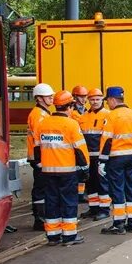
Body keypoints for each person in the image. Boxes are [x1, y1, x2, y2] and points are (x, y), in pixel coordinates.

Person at [35, 90, 89, 246]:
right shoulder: (71, 124)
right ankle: (69, 236)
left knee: (51, 202)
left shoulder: (43, 123)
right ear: (70, 106)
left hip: (48, 172)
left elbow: (37, 148)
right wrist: (85, 168)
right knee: (69, 202)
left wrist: (40, 164)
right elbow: (80, 149)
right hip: (67, 171)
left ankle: (53, 235)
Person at [98, 86, 132, 234]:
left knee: (117, 189)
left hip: (115, 158)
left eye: (107, 101)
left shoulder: (111, 116)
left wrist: (102, 161)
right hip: (131, 157)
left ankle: (118, 224)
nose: (107, 104)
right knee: (131, 188)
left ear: (112, 99)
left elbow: (106, 140)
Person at [26, 83, 55, 231]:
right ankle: (40, 219)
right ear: (39, 98)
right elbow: (40, 139)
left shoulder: (44, 113)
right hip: (39, 157)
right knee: (41, 188)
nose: (51, 98)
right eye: (48, 96)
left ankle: (42, 217)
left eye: (51, 96)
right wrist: (39, 160)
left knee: (43, 187)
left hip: (40, 157)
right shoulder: (38, 115)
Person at [80, 88, 109, 220]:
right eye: (92, 99)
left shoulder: (107, 115)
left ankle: (104, 209)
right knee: (90, 183)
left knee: (102, 183)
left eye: (98, 99)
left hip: (101, 156)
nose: (95, 102)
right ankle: (93, 208)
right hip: (88, 156)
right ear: (88, 100)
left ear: (102, 99)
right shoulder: (83, 117)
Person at [70, 85, 90, 205]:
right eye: (81, 97)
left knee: (82, 171)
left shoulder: (86, 111)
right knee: (76, 170)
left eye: (85, 97)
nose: (83, 99)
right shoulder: (72, 112)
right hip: (75, 143)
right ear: (75, 97)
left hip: (83, 143)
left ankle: (80, 194)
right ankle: (75, 194)